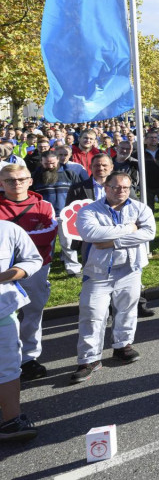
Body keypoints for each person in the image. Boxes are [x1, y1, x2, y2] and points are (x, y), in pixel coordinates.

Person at [71, 171, 156, 383]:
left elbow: (149, 233)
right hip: (99, 272)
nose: (121, 191)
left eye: (126, 188)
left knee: (127, 308)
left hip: (130, 269)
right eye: (116, 187)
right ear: (106, 188)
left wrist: (114, 241)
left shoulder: (140, 208)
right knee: (92, 313)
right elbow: (91, 235)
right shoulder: (89, 211)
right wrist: (129, 228)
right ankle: (89, 359)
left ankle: (122, 345)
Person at [0, 165, 57, 382]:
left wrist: (11, 239)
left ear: (30, 181)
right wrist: (26, 238)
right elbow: (37, 237)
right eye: (10, 180)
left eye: (22, 179)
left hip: (35, 269)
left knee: (32, 314)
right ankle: (7, 357)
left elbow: (48, 234)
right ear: (1, 183)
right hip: (2, 271)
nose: (17, 184)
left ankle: (29, 358)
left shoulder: (43, 206)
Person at [0, 220, 42, 441]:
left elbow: (33, 260)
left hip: (2, 310)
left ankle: (11, 421)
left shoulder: (7, 229)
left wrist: (7, 275)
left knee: (8, 365)